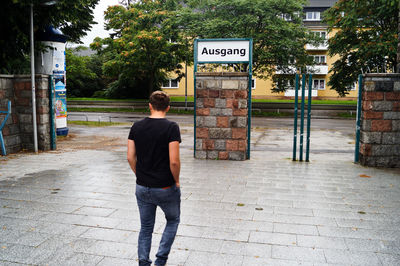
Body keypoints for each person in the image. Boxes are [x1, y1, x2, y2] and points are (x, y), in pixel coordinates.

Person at [127, 90, 181, 266]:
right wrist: (177, 180)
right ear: (168, 108)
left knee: (146, 227)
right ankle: (160, 260)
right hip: (165, 187)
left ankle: (143, 262)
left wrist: (140, 174)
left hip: (142, 187)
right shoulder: (171, 127)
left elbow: (129, 157)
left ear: (150, 106)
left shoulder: (136, 126)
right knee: (172, 220)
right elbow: (174, 162)